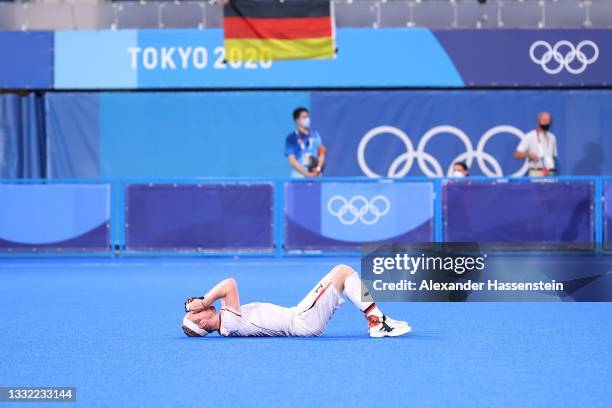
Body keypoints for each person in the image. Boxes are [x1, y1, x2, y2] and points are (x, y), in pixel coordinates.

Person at [182, 264, 411, 338]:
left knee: (342, 274)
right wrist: (203, 300)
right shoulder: (228, 323)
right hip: (300, 322)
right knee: (342, 272)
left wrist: (203, 302)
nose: (198, 309)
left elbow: (225, 291)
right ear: (203, 324)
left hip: (300, 317)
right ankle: (377, 322)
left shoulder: (226, 315)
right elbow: (229, 283)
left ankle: (378, 320)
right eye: (196, 313)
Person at [284, 107, 326, 178]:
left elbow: (321, 154)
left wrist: (318, 169)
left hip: (316, 177)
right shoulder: (291, 138)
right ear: (297, 120)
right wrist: (306, 174)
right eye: (304, 117)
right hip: (299, 177)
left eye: (308, 117)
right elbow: (292, 160)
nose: (307, 119)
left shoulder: (316, 135)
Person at [514, 112, 558, 177]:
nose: (546, 123)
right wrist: (528, 154)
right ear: (538, 122)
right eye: (544, 121)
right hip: (536, 173)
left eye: (548, 121)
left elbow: (554, 156)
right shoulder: (530, 136)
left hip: (550, 173)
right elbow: (516, 154)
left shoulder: (552, 137)